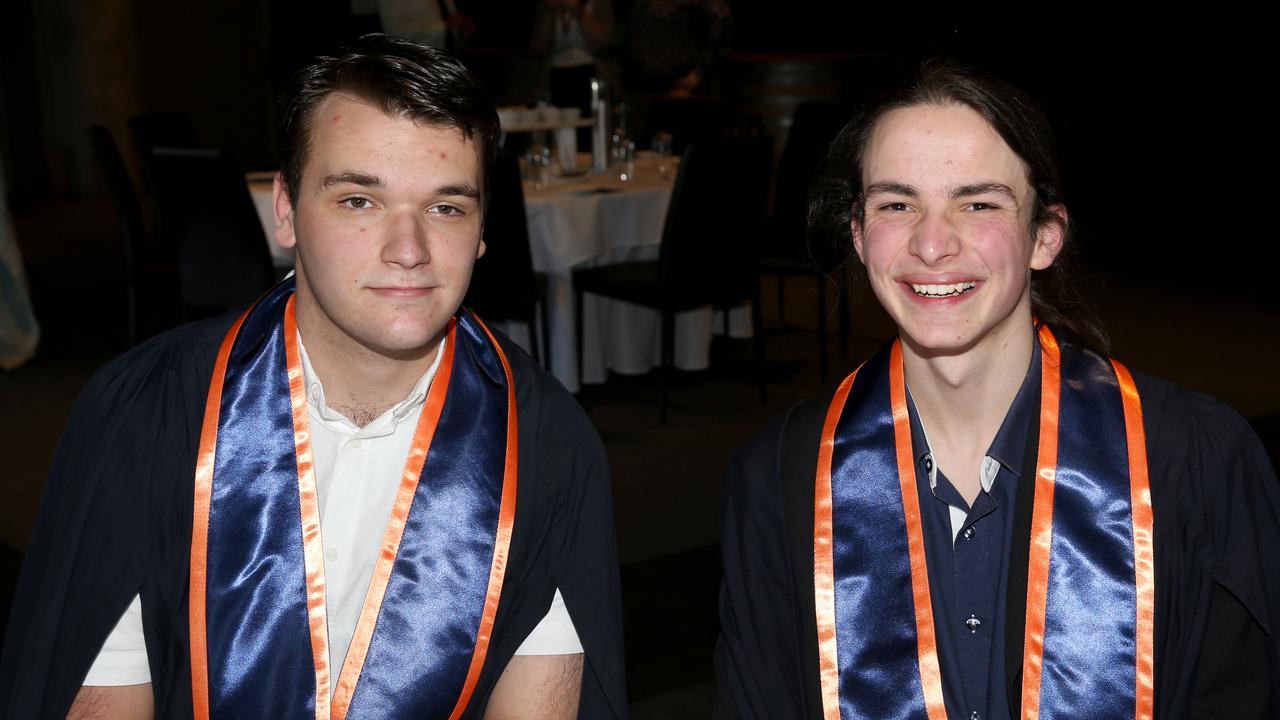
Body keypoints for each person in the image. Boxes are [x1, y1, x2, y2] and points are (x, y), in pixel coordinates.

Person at [0, 35, 627, 719]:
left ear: (481, 232)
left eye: (446, 207)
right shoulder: (152, 414)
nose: (409, 251)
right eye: (359, 200)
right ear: (286, 211)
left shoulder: (543, 444)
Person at [715, 59, 1279, 719]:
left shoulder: (1194, 463)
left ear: (1045, 235)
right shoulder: (780, 482)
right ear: (860, 237)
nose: (932, 243)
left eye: (977, 203)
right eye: (898, 204)